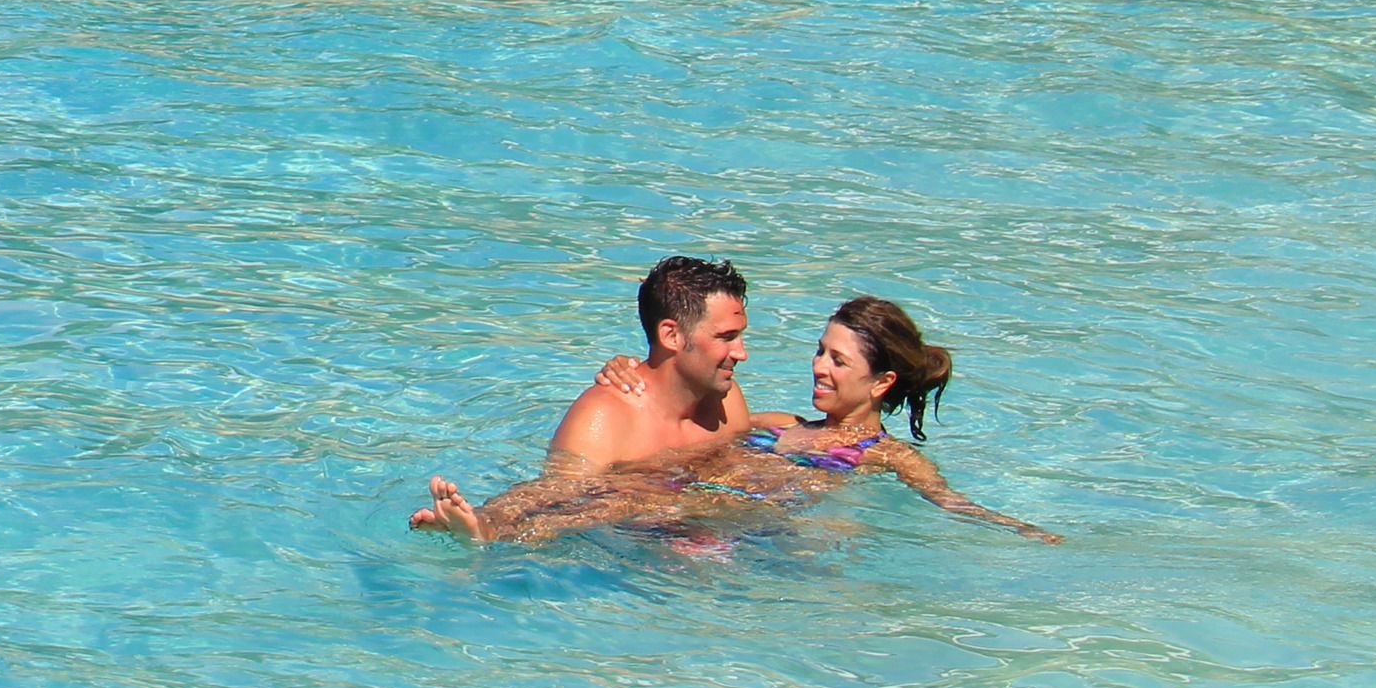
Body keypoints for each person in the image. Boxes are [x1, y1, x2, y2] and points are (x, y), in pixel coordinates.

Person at [415, 285, 1058, 545]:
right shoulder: (779, 422)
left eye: (838, 360)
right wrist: (628, 365)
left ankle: (491, 532)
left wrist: (1022, 530)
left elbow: (950, 502)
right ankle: (487, 518)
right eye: (819, 350)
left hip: (741, 519)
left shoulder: (886, 455)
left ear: (882, 382)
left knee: (616, 499)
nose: (819, 367)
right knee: (598, 488)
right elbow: (685, 414)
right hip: (695, 497)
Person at [407, 255, 752, 540]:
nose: (741, 353)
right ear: (671, 335)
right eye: (726, 337)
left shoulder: (726, 399)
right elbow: (550, 496)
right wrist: (485, 524)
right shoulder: (605, 417)